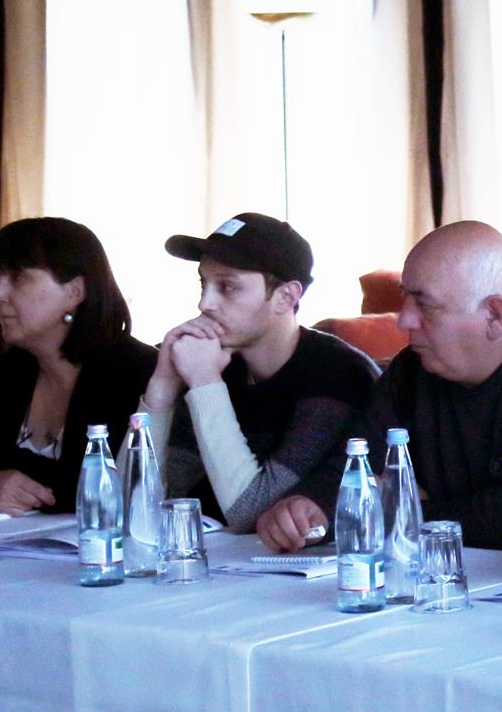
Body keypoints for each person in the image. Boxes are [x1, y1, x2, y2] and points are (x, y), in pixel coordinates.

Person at [254, 222, 502, 551]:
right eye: (405, 298)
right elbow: (355, 462)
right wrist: (309, 506)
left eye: (425, 305)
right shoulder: (413, 367)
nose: (404, 320)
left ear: (494, 314)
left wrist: (387, 510)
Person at [141, 213, 377, 533]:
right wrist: (164, 384)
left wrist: (205, 382)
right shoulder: (216, 360)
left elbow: (251, 514)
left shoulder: (337, 376)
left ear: (286, 297)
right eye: (203, 284)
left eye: (227, 287)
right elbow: (134, 504)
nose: (204, 304)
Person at [0, 218, 157, 516]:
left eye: (18, 278)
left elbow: (101, 485)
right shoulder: (5, 370)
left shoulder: (134, 371)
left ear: (74, 292)